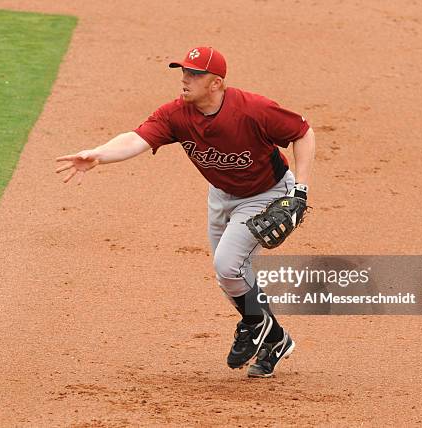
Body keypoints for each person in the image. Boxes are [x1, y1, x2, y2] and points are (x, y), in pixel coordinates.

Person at [56, 46, 316, 378]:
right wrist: (99, 154)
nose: (185, 79)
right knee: (232, 279)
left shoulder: (253, 110)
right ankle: (275, 338)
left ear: (216, 83)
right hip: (221, 195)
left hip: (266, 193)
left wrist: (301, 189)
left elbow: (303, 133)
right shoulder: (176, 114)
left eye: (194, 74)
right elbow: (136, 138)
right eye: (184, 71)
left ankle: (255, 323)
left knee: (227, 266)